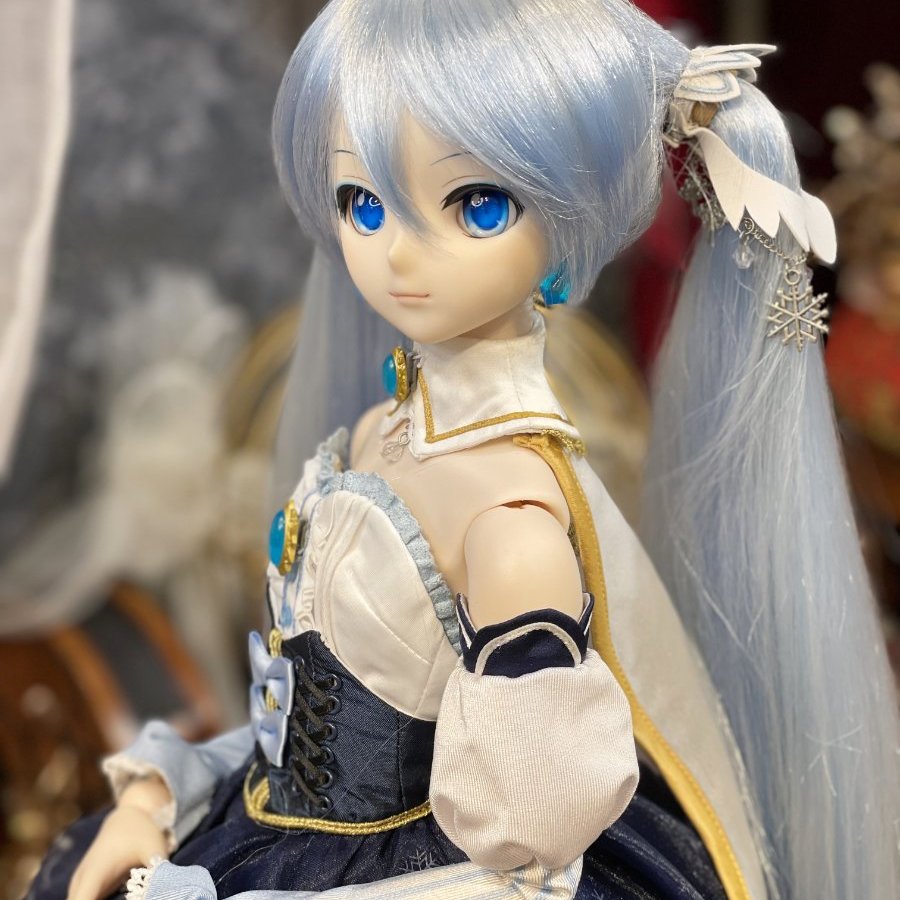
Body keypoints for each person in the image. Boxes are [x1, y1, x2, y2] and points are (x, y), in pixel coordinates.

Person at [28, 2, 899, 899]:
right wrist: (162, 798)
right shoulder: (383, 428)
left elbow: (519, 854)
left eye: (476, 205)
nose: (398, 255)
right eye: (363, 203)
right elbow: (310, 719)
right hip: (281, 834)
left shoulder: (511, 525)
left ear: (570, 215)